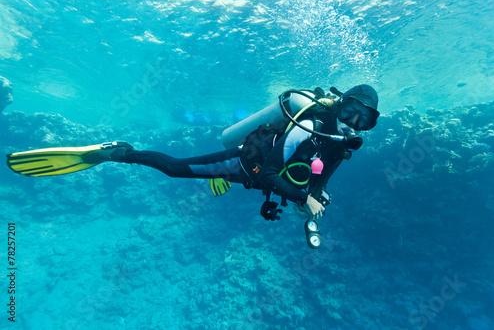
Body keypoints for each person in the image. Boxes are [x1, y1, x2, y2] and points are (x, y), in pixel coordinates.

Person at [6, 84, 379, 248]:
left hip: (257, 177)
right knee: (175, 167)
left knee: (235, 180)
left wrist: (314, 197)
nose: (352, 124)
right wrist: (302, 196)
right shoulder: (310, 125)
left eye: (363, 121)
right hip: (244, 165)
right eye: (349, 112)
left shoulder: (341, 144)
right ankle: (117, 151)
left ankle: (217, 178)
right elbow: (266, 174)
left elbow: (318, 180)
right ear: (340, 104)